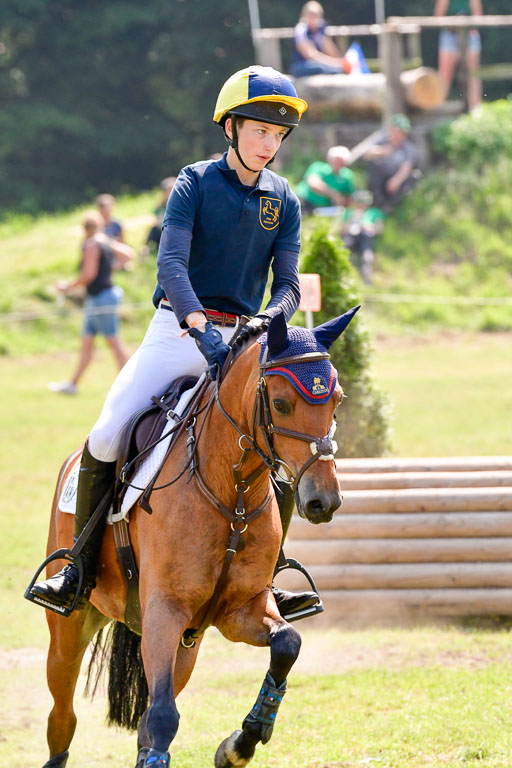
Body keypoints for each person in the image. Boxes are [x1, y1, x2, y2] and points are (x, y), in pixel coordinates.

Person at [30, 65, 320, 620]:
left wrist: (267, 322)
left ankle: (271, 574)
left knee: (274, 450)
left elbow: (286, 283)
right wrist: (197, 325)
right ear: (231, 128)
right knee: (109, 432)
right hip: (177, 330)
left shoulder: (283, 198)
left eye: (279, 136)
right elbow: (171, 263)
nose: (270, 144)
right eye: (260, 130)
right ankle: (78, 566)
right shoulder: (195, 183)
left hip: (243, 339)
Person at [48, 211, 134, 395]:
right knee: (87, 342)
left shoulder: (91, 244)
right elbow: (128, 254)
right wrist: (110, 269)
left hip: (101, 298)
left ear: (84, 228)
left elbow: (89, 274)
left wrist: (67, 287)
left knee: (114, 342)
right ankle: (73, 384)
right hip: (100, 298)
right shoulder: (105, 240)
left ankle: (130, 385)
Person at [434, 0, 483, 112]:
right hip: (449, 34)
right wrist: (453, 23)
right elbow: (438, 17)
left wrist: (466, 23)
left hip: (470, 34)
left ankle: (476, 109)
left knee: (473, 73)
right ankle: (438, 107)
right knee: (445, 74)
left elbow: (478, 16)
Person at [364, 114, 419, 212]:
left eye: (404, 132)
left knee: (413, 176)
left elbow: (407, 167)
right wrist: (382, 151)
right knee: (374, 166)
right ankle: (377, 203)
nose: (402, 134)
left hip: (396, 178)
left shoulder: (408, 147)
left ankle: (393, 206)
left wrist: (396, 180)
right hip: (381, 178)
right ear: (392, 130)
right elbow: (367, 154)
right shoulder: (382, 140)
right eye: (399, 131)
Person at [289, 1, 344, 77]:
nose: (313, 18)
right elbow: (310, 55)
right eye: (311, 15)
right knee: (322, 68)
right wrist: (334, 63)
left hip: (317, 63)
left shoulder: (319, 30)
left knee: (334, 69)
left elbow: (331, 52)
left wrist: (340, 62)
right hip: (300, 65)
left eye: (316, 15)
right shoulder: (301, 30)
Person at [341, 190, 384, 285]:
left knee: (367, 257)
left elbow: (380, 229)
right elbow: (343, 230)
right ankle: (342, 278)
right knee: (342, 250)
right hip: (350, 236)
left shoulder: (374, 212)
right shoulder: (349, 212)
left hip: (365, 237)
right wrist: (352, 218)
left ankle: (367, 281)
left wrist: (369, 227)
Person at [295, 146, 355, 214]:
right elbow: (314, 184)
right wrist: (335, 195)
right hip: (302, 200)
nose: (338, 163)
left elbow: (348, 196)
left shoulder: (347, 175)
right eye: (336, 160)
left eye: (341, 160)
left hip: (323, 207)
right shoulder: (318, 167)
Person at [140, 177, 176, 260]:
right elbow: (155, 219)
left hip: (173, 234)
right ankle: (145, 249)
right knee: (154, 229)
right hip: (161, 233)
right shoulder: (160, 207)